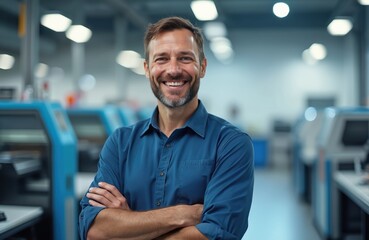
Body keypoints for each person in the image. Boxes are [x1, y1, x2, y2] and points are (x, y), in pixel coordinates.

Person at [79, 16, 254, 240]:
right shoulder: (120, 143)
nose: (173, 70)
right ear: (147, 68)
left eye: (185, 58)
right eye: (161, 59)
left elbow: (219, 233)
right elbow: (94, 230)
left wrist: (129, 224)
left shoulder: (231, 143)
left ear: (202, 67)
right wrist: (183, 214)